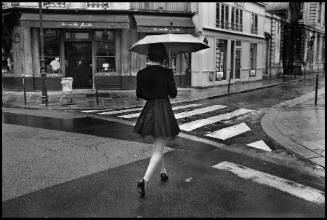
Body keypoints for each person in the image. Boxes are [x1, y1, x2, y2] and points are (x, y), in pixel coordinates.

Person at [134, 43, 180, 198]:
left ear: (149, 57)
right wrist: (169, 82)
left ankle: (163, 171)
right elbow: (173, 94)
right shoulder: (167, 72)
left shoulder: (141, 73)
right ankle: (144, 180)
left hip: (149, 110)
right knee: (159, 147)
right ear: (164, 58)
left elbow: (140, 94)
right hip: (163, 111)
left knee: (158, 144)